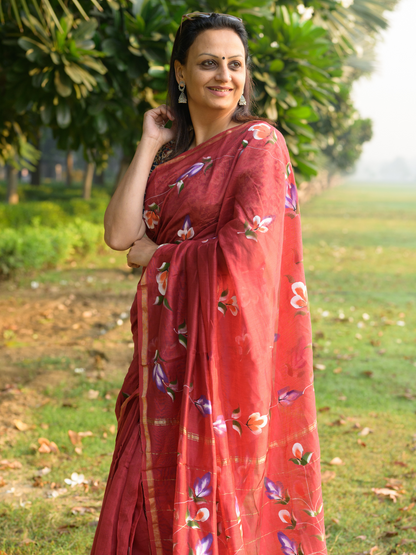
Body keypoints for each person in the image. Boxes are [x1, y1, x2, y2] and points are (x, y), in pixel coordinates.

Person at [91, 12, 327, 555]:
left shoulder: (258, 145)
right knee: (141, 492)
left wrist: (159, 255)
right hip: (161, 358)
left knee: (213, 491)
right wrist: (150, 142)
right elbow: (118, 233)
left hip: (224, 359)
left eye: (235, 64)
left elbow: (245, 253)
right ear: (180, 73)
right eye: (208, 63)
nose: (224, 75)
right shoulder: (171, 158)